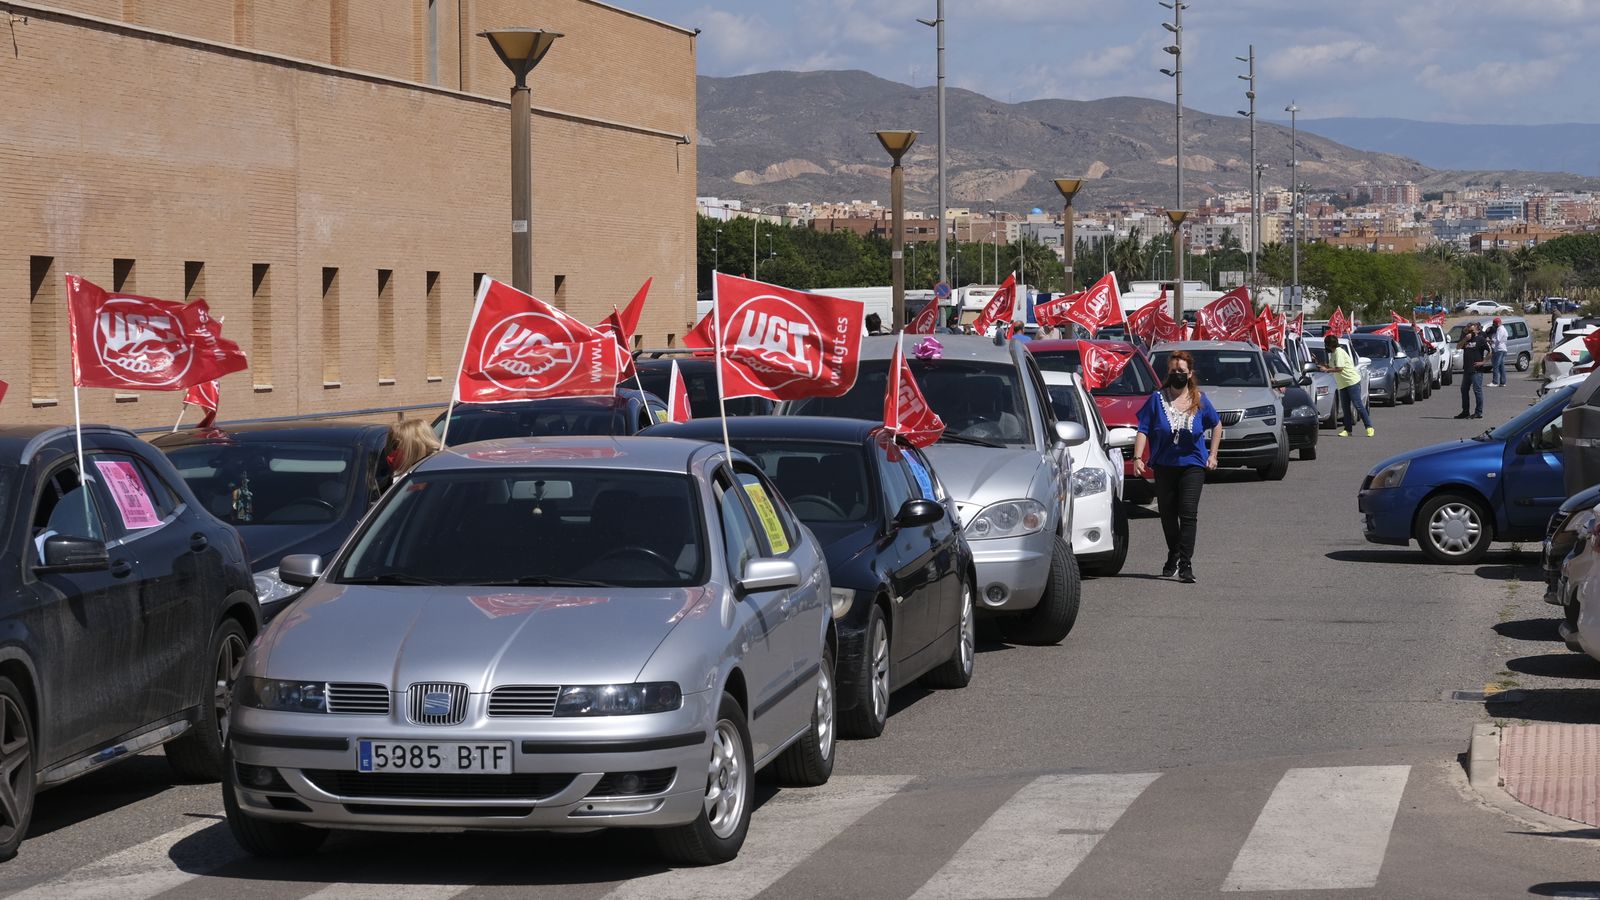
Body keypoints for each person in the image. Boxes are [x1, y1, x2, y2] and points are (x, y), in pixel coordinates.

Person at [1132, 350, 1222, 584]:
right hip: (1164, 466)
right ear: (1168, 373)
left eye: (1182, 371)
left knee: (1188, 512)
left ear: (1190, 374)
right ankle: (1173, 552)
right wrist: (1138, 458)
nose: (1178, 375)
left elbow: (1217, 425)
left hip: (1192, 465)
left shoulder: (1199, 399)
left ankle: (1185, 564)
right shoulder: (1156, 399)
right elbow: (1143, 428)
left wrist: (1212, 455)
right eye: (1174, 371)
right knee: (1168, 516)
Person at [1317, 333, 1374, 437]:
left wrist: (1327, 369)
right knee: (1345, 408)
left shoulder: (1339, 352)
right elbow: (1330, 366)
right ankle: (1347, 430)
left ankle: (1369, 427)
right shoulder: (1334, 353)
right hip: (1343, 384)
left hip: (1351, 382)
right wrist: (1321, 364)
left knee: (1358, 405)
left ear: (1329, 345)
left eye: (1326, 345)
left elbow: (1339, 368)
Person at [1457, 322, 1490, 419]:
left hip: (1476, 370)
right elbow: (1458, 347)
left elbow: (1491, 351)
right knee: (1464, 390)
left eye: (1472, 330)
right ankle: (1465, 411)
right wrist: (1465, 339)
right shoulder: (1466, 339)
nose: (1470, 332)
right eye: (1469, 330)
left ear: (1477, 330)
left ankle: (1478, 412)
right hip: (1467, 369)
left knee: (1477, 390)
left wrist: (1483, 362)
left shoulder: (1480, 339)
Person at [1488, 316, 1509, 386]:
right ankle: (1503, 382)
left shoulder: (1500, 329)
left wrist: (1491, 341)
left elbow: (1498, 339)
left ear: (1499, 323)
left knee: (1495, 365)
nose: (1494, 325)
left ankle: (1495, 382)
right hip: (1503, 349)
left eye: (1495, 324)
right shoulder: (1503, 329)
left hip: (1499, 349)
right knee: (1501, 366)